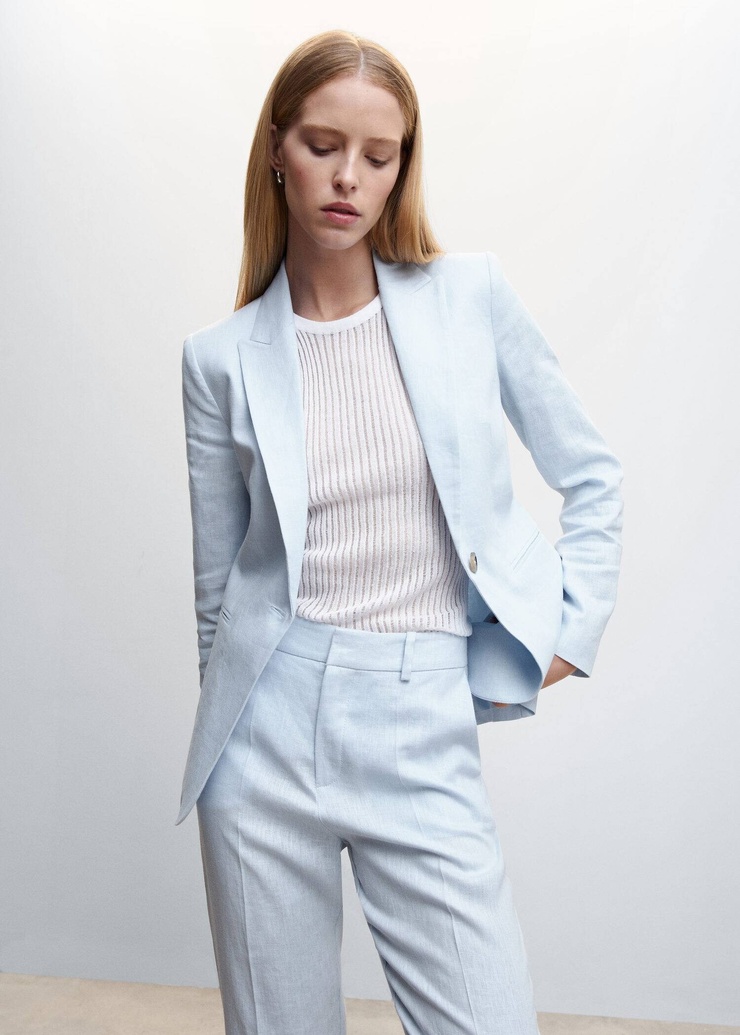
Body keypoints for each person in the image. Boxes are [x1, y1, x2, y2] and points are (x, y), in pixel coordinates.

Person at [177, 28, 624, 1035]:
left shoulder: (468, 297)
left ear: (401, 169)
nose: (349, 177)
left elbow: (591, 471)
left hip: (420, 708)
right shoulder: (218, 360)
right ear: (277, 150)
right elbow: (217, 591)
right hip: (261, 734)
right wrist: (230, 728)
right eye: (323, 146)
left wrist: (571, 626)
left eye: (378, 157)